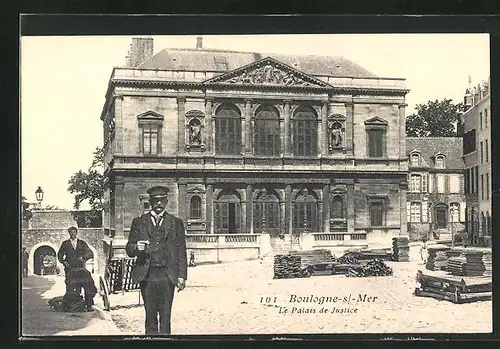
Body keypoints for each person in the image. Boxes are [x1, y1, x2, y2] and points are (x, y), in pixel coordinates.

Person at [126, 185, 188, 335]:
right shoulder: (139, 222)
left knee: (166, 317)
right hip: (147, 276)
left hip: (167, 276)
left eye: (162, 200)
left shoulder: (176, 222)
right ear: (151, 202)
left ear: (167, 201)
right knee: (150, 316)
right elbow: (129, 248)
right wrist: (137, 248)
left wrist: (182, 276)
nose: (159, 204)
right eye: (155, 200)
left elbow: (181, 250)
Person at [57, 226, 96, 311]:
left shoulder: (82, 243)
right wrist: (64, 262)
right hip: (70, 269)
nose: (73, 234)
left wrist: (84, 258)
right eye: (71, 232)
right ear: (69, 233)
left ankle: (89, 305)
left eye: (74, 232)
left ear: (76, 233)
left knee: (87, 285)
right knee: (72, 287)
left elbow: (89, 253)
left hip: (81, 269)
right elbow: (59, 254)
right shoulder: (65, 244)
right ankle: (75, 305)